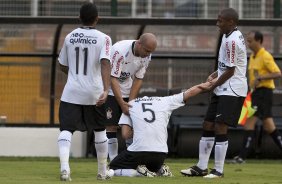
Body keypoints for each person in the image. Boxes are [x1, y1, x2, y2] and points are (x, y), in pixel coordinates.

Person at [180, 8, 248, 178]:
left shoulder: (232, 40)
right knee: (208, 124)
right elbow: (227, 66)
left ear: (231, 22)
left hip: (232, 89)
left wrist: (212, 85)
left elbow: (232, 70)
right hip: (223, 86)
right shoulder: (228, 35)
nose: (217, 24)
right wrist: (215, 74)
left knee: (220, 126)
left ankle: (218, 171)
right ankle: (201, 167)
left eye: (221, 21)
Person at [109, 81, 215, 177]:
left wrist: (140, 129)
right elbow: (192, 91)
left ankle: (138, 172)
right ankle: (160, 169)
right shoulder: (165, 100)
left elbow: (125, 135)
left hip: (138, 152)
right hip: (160, 155)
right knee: (150, 165)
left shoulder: (130, 105)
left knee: (112, 168)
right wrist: (209, 83)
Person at [57, 2, 113, 181]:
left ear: (78, 18)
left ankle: (65, 169)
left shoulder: (69, 36)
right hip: (94, 93)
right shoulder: (104, 38)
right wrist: (106, 89)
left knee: (66, 130)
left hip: (71, 92)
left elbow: (62, 64)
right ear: (98, 19)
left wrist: (74, 74)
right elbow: (105, 62)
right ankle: (102, 171)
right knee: (99, 129)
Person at [229, 31, 282, 164]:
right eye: (247, 41)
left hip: (264, 93)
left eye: (251, 41)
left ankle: (242, 157)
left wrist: (260, 77)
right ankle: (242, 156)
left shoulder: (265, 56)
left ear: (259, 41)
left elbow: (277, 73)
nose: (248, 43)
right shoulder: (253, 56)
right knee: (269, 126)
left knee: (249, 121)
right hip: (256, 93)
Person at [103, 33, 157, 161]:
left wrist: (130, 102)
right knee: (111, 126)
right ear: (139, 43)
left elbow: (138, 79)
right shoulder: (119, 51)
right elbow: (113, 78)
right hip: (110, 89)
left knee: (128, 129)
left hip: (127, 89)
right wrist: (122, 103)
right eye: (146, 50)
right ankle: (113, 160)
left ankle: (130, 160)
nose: (148, 54)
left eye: (151, 52)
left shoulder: (147, 56)